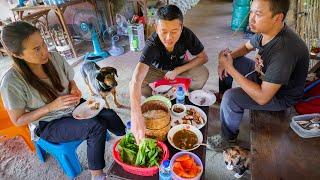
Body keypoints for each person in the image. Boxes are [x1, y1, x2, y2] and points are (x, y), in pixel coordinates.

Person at [0, 21, 126, 180]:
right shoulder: (11, 82)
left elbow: (70, 81)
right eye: (37, 49)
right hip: (48, 123)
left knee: (108, 114)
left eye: (43, 44)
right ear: (17, 54)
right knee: (96, 126)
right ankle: (98, 176)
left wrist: (74, 89)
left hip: (71, 106)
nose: (45, 51)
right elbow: (18, 120)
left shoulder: (54, 58)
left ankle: (127, 139)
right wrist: (51, 107)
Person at [208, 0, 309, 151]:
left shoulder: (284, 51)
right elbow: (245, 48)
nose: (251, 18)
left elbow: (263, 97)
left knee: (232, 98)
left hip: (280, 96)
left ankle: (228, 138)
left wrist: (230, 68)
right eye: (252, 11)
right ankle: (222, 99)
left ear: (277, 18)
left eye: (258, 14)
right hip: (263, 75)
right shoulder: (266, 31)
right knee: (233, 62)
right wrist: (227, 59)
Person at [129, 4, 209, 144]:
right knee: (138, 83)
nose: (168, 37)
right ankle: (156, 98)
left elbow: (203, 57)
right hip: (158, 71)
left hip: (180, 68)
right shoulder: (152, 44)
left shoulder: (187, 35)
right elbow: (135, 80)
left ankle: (184, 96)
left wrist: (178, 71)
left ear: (181, 27)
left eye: (174, 31)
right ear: (156, 27)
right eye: (163, 31)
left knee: (203, 74)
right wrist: (135, 114)